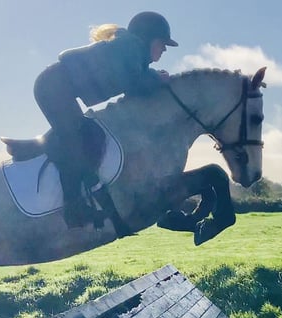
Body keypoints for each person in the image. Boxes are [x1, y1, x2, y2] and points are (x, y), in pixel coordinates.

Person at [33, 11, 177, 227]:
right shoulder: (130, 47)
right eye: (162, 43)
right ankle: (73, 209)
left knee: (90, 136)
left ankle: (81, 202)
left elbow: (136, 82)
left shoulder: (133, 52)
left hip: (58, 87)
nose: (164, 49)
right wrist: (158, 78)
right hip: (52, 87)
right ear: (148, 39)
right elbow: (134, 83)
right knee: (76, 143)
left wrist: (155, 77)